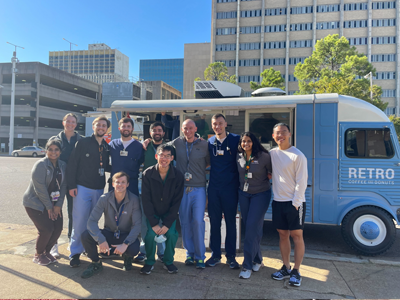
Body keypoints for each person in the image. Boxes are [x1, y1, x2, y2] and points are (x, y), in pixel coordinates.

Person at [67, 116, 111, 268]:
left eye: (104, 125)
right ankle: (74, 252)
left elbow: (107, 166)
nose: (101, 127)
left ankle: (88, 248)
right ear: (93, 126)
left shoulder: (106, 146)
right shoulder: (83, 142)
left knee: (92, 222)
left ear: (107, 129)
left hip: (99, 189)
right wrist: (71, 185)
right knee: (79, 221)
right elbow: (72, 164)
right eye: (98, 125)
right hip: (82, 187)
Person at [80, 172, 141, 278]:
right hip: (109, 233)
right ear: (113, 184)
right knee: (85, 235)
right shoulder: (105, 198)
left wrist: (126, 244)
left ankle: (127, 257)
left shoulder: (134, 199)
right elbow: (91, 221)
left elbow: (137, 225)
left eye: (123, 182)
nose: (120, 185)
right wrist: (101, 240)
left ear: (127, 184)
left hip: (124, 235)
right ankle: (96, 263)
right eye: (117, 182)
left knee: (134, 247)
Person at [270, 123, 307, 287]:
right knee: (283, 235)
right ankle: (286, 267)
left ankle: (297, 271)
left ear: (289, 134)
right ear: (273, 136)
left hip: (294, 203)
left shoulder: (298, 156)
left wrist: (296, 202)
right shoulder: (272, 153)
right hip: (278, 201)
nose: (280, 136)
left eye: (283, 132)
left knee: (297, 236)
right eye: (277, 133)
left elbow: (302, 181)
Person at [169, 119, 210, 268]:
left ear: (195, 129)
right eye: (185, 128)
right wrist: (147, 141)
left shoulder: (204, 144)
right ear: (182, 129)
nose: (188, 131)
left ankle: (200, 256)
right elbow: (162, 148)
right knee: (185, 223)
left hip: (198, 188)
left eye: (190, 128)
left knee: (198, 222)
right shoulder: (177, 142)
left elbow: (209, 162)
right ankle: (189, 253)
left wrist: (196, 170)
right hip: (182, 188)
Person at [140, 144, 184, 275]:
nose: (164, 159)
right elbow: (146, 200)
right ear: (156, 156)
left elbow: (177, 202)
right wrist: (153, 223)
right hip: (152, 213)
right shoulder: (148, 173)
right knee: (150, 235)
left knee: (172, 234)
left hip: (168, 213)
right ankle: (149, 262)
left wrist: (167, 224)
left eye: (167, 156)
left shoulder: (178, 175)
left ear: (172, 158)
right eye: (161, 155)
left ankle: (168, 261)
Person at [23, 139, 67, 266]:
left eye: (56, 149)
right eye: (50, 149)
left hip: (53, 203)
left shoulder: (63, 165)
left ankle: (46, 252)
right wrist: (49, 207)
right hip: (35, 203)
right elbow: (40, 189)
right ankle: (38, 254)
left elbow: (64, 186)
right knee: (46, 229)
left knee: (58, 229)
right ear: (46, 150)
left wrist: (58, 205)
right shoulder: (40, 165)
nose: (53, 152)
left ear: (60, 151)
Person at [206, 113, 240, 269]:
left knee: (231, 223)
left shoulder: (235, 140)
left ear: (226, 124)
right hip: (214, 189)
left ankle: (231, 256)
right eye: (214, 124)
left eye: (220, 123)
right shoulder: (209, 142)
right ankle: (215, 255)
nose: (217, 126)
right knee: (214, 223)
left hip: (230, 189)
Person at [236, 132, 272, 279]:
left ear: (254, 142)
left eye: (248, 141)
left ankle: (247, 265)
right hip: (244, 194)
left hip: (260, 194)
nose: (246, 144)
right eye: (243, 141)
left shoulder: (264, 156)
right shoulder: (238, 156)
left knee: (251, 226)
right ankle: (257, 259)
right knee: (253, 227)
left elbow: (271, 173)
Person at [48, 113, 83, 258]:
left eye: (73, 122)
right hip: (56, 181)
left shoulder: (80, 140)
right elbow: (48, 159)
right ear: (63, 123)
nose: (70, 124)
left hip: (74, 182)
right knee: (54, 212)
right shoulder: (55, 140)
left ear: (76, 124)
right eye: (67, 121)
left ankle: (71, 242)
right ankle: (52, 245)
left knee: (73, 213)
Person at [135, 121, 167, 263]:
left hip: (163, 190)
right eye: (154, 130)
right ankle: (143, 251)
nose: (157, 132)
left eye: (159, 130)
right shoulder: (144, 147)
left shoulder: (168, 147)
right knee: (144, 220)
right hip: (146, 189)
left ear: (164, 133)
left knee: (160, 221)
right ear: (150, 133)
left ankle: (161, 252)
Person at [108, 117, 143, 197]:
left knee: (132, 207)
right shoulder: (112, 145)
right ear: (119, 128)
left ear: (132, 129)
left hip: (132, 184)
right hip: (115, 184)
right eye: (123, 126)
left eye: (128, 126)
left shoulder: (139, 146)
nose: (126, 129)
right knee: (113, 207)